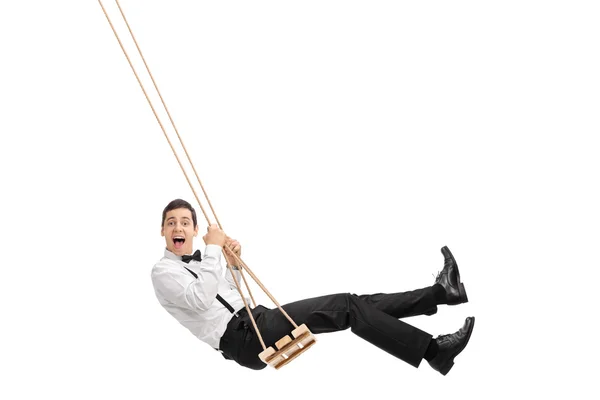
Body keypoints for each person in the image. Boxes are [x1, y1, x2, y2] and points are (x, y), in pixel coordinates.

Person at [151, 199, 475, 375]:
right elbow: (200, 299)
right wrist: (213, 250)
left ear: (193, 230)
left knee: (354, 305)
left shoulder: (205, 262)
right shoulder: (163, 272)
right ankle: (433, 351)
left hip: (255, 320)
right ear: (163, 231)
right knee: (345, 306)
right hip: (244, 338)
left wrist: (232, 263)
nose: (178, 226)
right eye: (171, 222)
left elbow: (240, 299)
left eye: (184, 222)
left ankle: (441, 293)